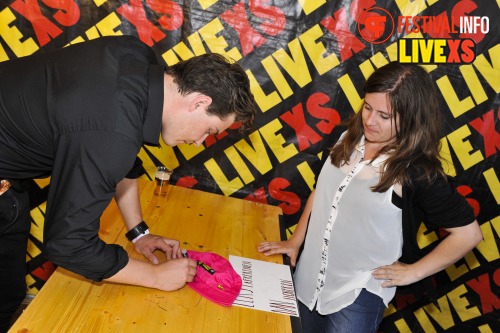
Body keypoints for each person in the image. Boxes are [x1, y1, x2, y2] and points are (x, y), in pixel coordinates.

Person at [0, 35, 257, 332]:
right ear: (199, 102)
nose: (200, 142)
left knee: (8, 295)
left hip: (9, 180)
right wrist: (155, 277)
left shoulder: (138, 58)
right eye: (209, 130)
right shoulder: (112, 126)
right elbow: (68, 244)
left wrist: (139, 234)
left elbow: (121, 157)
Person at [258, 62, 482, 333]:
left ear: (411, 118)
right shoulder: (345, 138)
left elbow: (468, 234)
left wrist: (414, 272)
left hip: (358, 293)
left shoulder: (418, 173)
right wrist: (296, 241)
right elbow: (323, 191)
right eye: (367, 107)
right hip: (307, 278)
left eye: (384, 116)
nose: (370, 120)